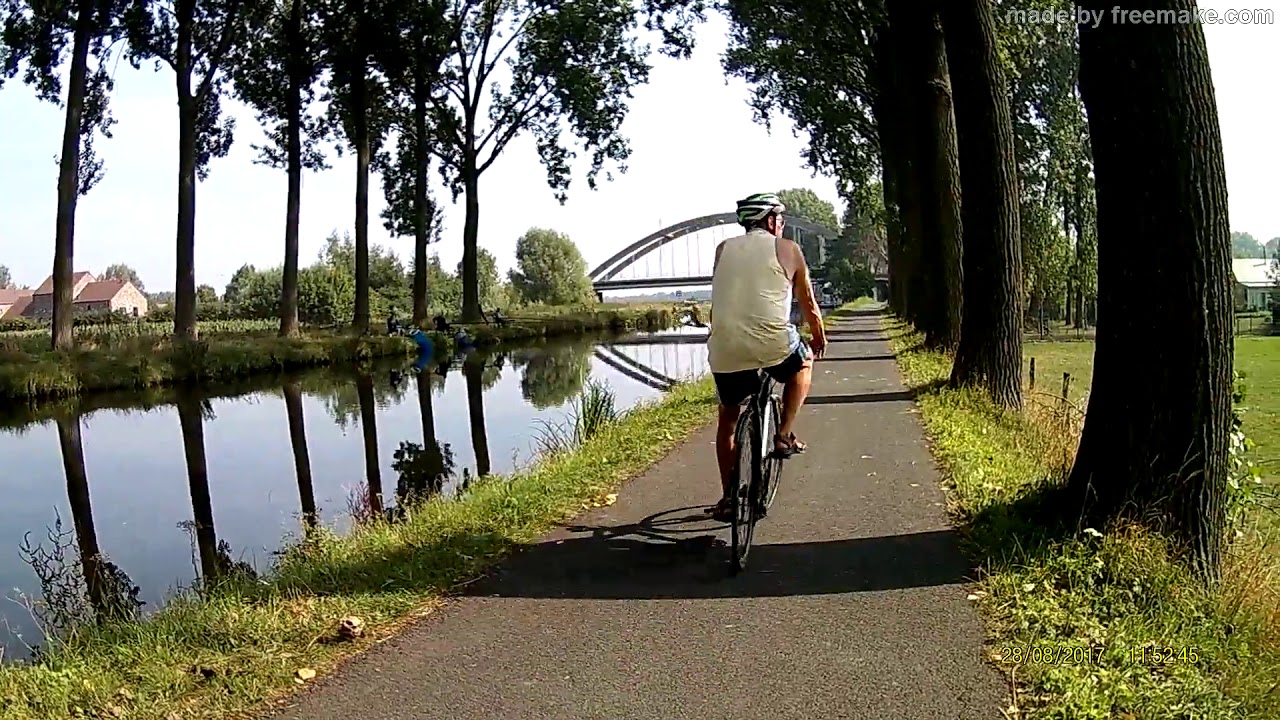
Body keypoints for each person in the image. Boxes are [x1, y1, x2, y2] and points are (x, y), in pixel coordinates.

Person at [705, 192, 827, 521]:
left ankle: (729, 498)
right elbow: (809, 304)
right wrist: (817, 335)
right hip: (773, 343)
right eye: (781, 220)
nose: (783, 226)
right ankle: (784, 435)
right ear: (772, 221)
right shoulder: (789, 249)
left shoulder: (723, 249)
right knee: (802, 362)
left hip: (724, 346)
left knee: (728, 421)